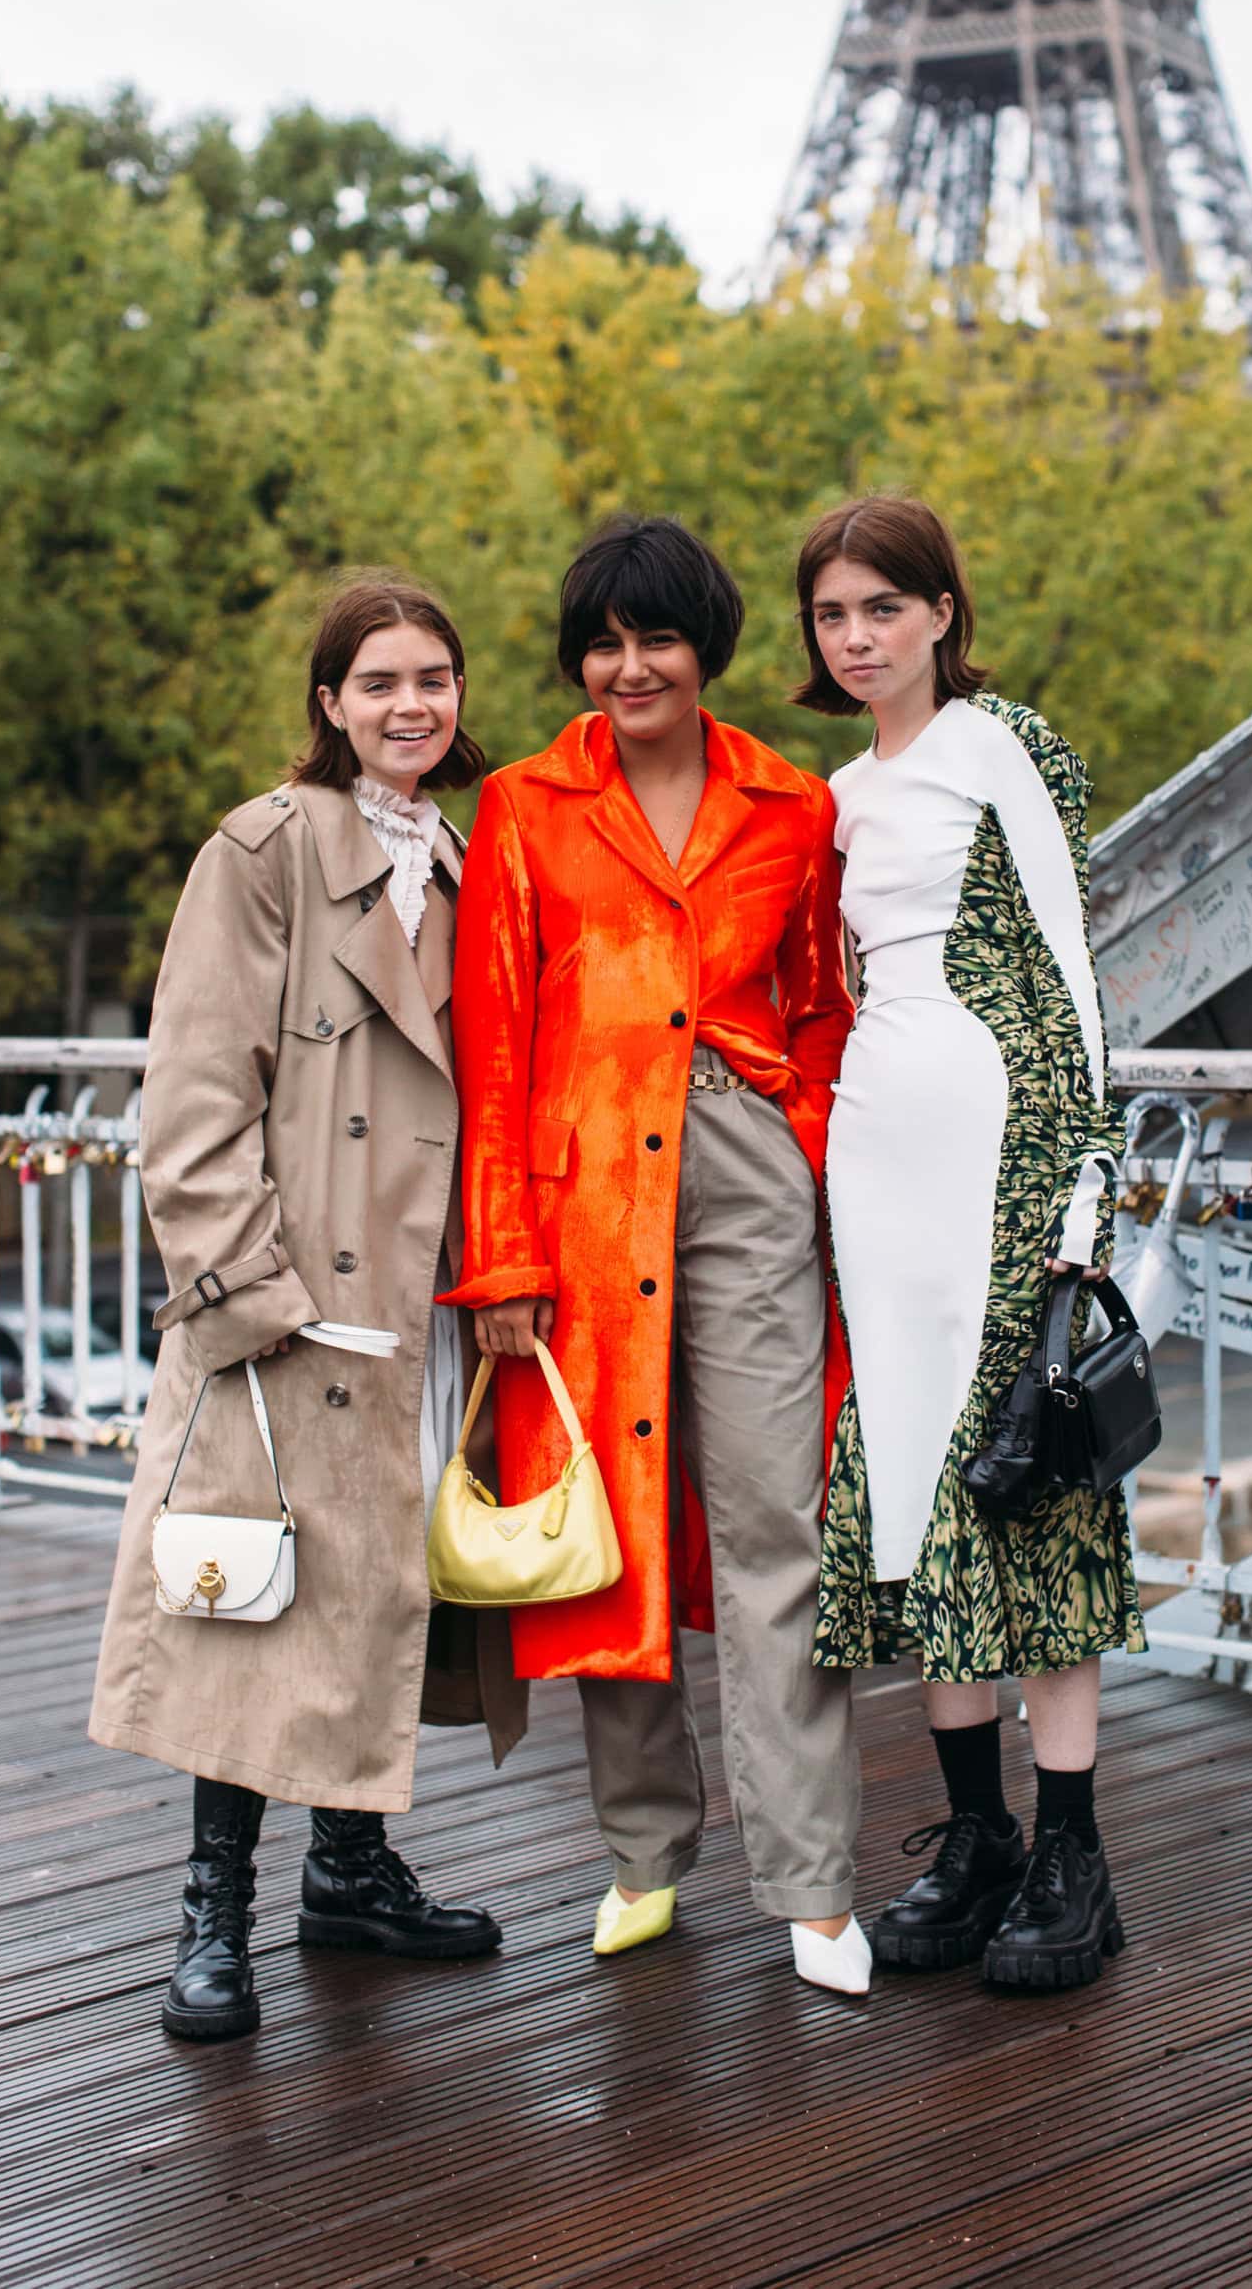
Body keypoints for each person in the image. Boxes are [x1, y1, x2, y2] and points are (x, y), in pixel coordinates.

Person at [89, 577, 526, 2042]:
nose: (412, 705)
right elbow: (194, 1093)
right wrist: (240, 1289)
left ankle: (349, 1874)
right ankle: (212, 1914)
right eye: (380, 681)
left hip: (419, 1297)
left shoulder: (467, 863)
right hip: (290, 1305)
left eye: (435, 679)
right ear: (330, 702)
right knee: (249, 1596)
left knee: (377, 1581)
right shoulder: (264, 849)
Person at [440, 514, 869, 1994]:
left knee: (775, 1520)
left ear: (707, 650)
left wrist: (800, 1140)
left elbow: (819, 1006)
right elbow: (494, 1047)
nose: (631, 669)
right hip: (578, 1208)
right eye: (605, 645)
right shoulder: (524, 805)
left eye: (658, 640)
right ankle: (642, 1851)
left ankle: (812, 1883)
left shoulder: (792, 804)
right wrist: (501, 1261)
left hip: (744, 1176)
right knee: (605, 1531)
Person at [797, 494, 1146, 1994]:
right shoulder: (836, 791)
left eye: (884, 606)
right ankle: (977, 1838)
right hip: (879, 1154)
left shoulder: (1000, 747)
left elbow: (1072, 969)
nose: (857, 636)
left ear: (942, 612)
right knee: (915, 1478)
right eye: (832, 614)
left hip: (1005, 1159)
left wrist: (1087, 1191)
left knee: (1027, 1476)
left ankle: (1073, 1855)